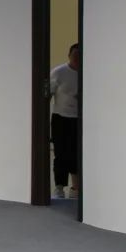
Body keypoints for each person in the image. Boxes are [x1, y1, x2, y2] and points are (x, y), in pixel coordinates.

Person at [49, 43, 81, 198]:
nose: (77, 58)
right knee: (61, 154)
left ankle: (75, 189)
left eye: (80, 55)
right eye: (75, 55)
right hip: (60, 118)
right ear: (69, 55)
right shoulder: (59, 72)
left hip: (79, 120)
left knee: (76, 154)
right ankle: (59, 188)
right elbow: (47, 94)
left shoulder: (87, 73)